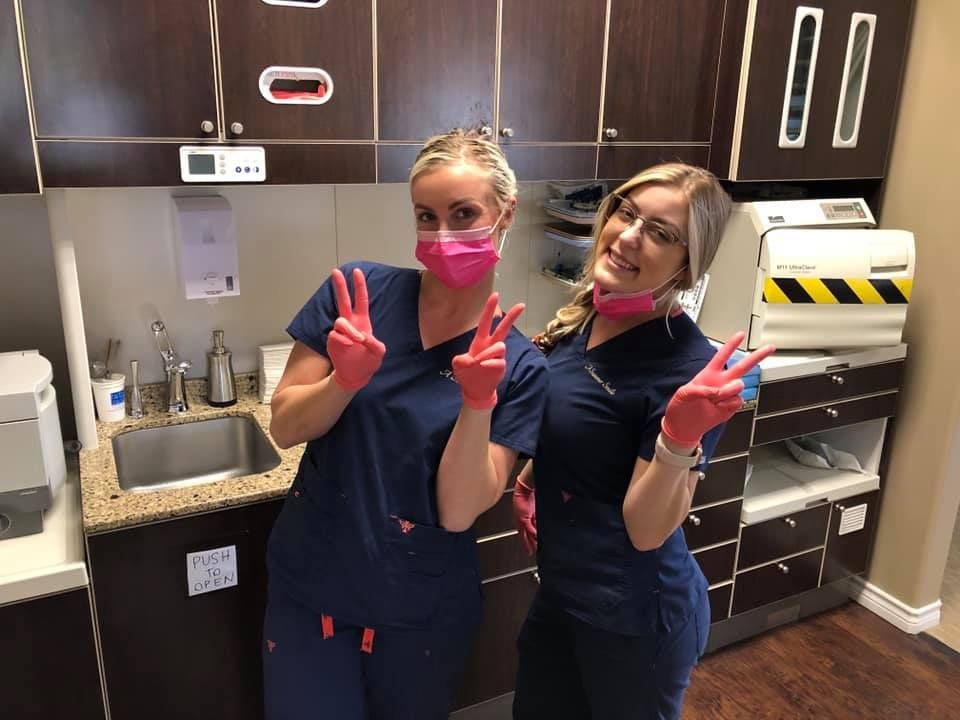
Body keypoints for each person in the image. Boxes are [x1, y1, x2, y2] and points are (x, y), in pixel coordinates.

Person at [263, 129, 549, 720]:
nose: (442, 235)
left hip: (420, 610)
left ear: (505, 213)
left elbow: (460, 510)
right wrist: (343, 379)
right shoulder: (357, 297)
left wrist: (477, 403)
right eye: (427, 215)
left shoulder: (518, 366)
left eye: (463, 213)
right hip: (313, 584)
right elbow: (285, 428)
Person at [511, 163, 774, 720]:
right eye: (627, 213)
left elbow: (647, 527)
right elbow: (577, 419)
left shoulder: (688, 369)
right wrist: (529, 479)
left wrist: (678, 438)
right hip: (563, 593)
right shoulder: (589, 316)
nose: (629, 235)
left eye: (660, 232)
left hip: (632, 617)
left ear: (687, 265)